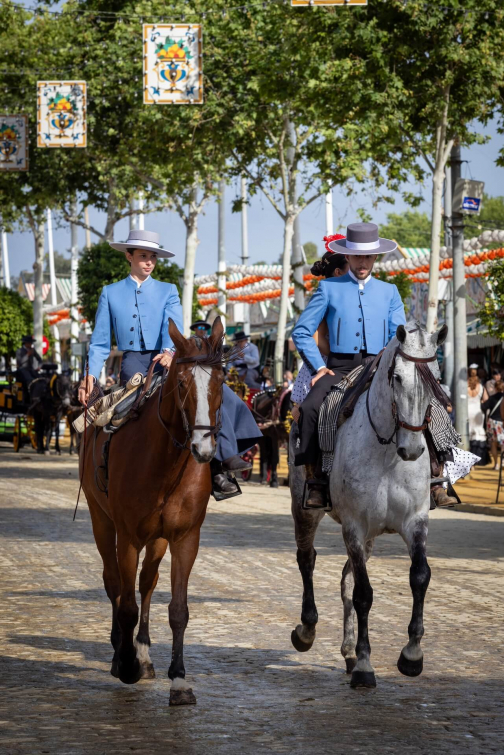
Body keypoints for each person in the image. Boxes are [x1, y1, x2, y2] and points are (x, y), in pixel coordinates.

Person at [78, 229, 262, 499]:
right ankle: (109, 463)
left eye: (152, 257)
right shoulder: (111, 293)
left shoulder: (168, 290)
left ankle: (221, 465)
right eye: (143, 256)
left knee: (213, 394)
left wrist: (168, 351)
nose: (149, 262)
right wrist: (91, 376)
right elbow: (100, 342)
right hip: (134, 363)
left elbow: (172, 325)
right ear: (129, 256)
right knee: (124, 410)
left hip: (171, 359)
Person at [292, 222, 406, 507]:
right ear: (349, 257)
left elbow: (399, 334)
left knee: (429, 401)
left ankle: (437, 475)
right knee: (309, 408)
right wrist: (319, 368)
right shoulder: (328, 288)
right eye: (358, 256)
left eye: (368, 256)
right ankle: (314, 479)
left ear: (375, 257)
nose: (363, 262)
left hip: (381, 366)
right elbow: (302, 331)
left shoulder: (389, 291)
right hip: (339, 368)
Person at [291, 245, 349, 406]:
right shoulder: (327, 295)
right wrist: (341, 358)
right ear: (338, 272)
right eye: (351, 267)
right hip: (327, 364)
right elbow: (316, 337)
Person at [467, 365, 489, 464]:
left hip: (466, 411)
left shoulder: (464, 385)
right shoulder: (481, 386)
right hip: (477, 411)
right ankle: (478, 457)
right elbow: (486, 400)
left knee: (467, 433)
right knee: (478, 433)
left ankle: (468, 457)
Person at [482, 379, 504, 470]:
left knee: (493, 444)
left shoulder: (492, 398)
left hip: (492, 423)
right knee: (503, 443)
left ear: (495, 388)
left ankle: (496, 464)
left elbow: (483, 407)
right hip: (502, 423)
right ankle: (503, 461)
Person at [15, 335, 43, 403]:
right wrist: (27, 355)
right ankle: (30, 397)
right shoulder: (19, 351)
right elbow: (20, 362)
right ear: (26, 343)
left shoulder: (33, 351)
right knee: (30, 380)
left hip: (31, 370)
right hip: (22, 370)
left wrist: (39, 366)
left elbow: (40, 359)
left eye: (31, 343)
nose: (31, 344)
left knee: (41, 379)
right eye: (30, 343)